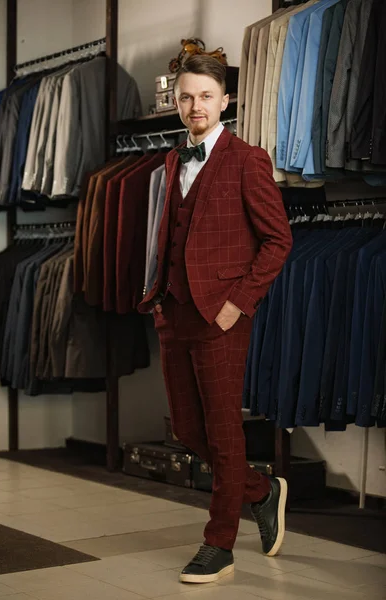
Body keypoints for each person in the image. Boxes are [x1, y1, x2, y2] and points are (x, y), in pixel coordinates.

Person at [138, 54, 293, 584]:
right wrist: (157, 297)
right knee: (187, 428)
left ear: (225, 101)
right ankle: (260, 489)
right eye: (185, 97)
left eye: (205, 96)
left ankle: (219, 546)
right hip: (174, 312)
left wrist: (238, 303)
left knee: (225, 433)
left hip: (222, 316)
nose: (194, 106)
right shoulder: (168, 161)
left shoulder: (248, 160)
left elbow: (278, 241)